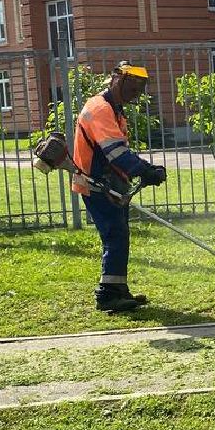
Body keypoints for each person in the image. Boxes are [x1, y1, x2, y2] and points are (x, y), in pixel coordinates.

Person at [71, 63, 167, 312]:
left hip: (108, 182)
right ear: (116, 80)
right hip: (95, 183)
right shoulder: (100, 109)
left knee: (119, 234)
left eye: (138, 90)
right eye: (132, 88)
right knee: (115, 235)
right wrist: (144, 170)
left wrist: (144, 168)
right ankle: (107, 295)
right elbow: (115, 152)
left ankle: (119, 289)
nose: (135, 93)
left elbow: (119, 151)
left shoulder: (114, 109)